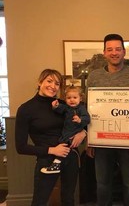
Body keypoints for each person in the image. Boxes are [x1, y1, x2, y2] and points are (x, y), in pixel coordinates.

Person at [86, 33, 129, 206]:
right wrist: (90, 140)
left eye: (118, 49)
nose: (114, 53)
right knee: (103, 184)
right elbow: (88, 108)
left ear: (124, 52)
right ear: (104, 52)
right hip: (102, 139)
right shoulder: (94, 77)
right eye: (110, 49)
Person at [15, 69, 87, 206]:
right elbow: (21, 147)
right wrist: (52, 150)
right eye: (49, 81)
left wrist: (83, 132)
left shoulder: (64, 105)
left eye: (57, 83)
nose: (53, 86)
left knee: (68, 199)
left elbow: (84, 120)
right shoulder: (26, 109)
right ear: (39, 82)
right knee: (39, 201)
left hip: (71, 157)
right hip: (47, 160)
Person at [41, 85, 90, 174]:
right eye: (69, 98)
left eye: (75, 97)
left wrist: (80, 120)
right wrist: (55, 106)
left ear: (80, 98)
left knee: (64, 146)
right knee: (64, 145)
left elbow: (87, 119)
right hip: (66, 132)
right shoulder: (67, 108)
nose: (72, 100)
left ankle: (56, 163)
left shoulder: (81, 108)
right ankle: (58, 163)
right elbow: (60, 109)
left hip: (74, 133)